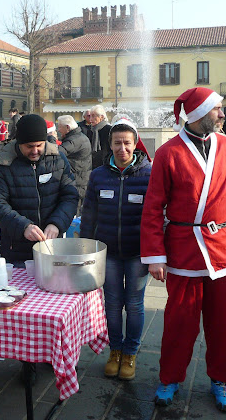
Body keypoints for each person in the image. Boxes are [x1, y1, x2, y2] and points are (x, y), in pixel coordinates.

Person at [141, 87, 226, 412]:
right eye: (217, 109)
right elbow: (153, 207)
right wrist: (155, 256)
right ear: (197, 115)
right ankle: (170, 377)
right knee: (179, 322)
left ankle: (220, 379)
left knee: (223, 323)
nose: (223, 114)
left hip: (224, 249)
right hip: (183, 251)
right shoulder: (168, 153)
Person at [81, 117, 151, 381]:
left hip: (137, 253)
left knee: (134, 305)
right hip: (107, 253)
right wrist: (86, 248)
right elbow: (89, 214)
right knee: (111, 305)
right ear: (109, 144)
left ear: (135, 145)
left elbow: (158, 216)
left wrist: (157, 253)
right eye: (117, 143)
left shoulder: (149, 173)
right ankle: (115, 351)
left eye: (127, 143)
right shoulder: (98, 175)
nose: (122, 148)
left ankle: (130, 353)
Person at [0, 114, 79, 268]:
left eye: (39, 145)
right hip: (15, 248)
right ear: (19, 143)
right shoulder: (2, 164)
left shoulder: (58, 159)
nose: (35, 151)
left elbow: (70, 196)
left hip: (51, 247)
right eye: (29, 146)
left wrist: (56, 224)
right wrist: (23, 227)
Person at [57, 115, 91, 215]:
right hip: (80, 180)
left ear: (67, 127)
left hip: (78, 183)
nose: (58, 130)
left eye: (59, 127)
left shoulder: (74, 140)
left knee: (73, 214)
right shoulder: (78, 137)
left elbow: (58, 152)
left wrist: (51, 139)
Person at [90, 105, 111, 169]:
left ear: (101, 117)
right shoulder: (90, 130)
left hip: (106, 164)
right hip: (93, 165)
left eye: (93, 116)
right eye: (90, 116)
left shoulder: (109, 130)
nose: (91, 119)